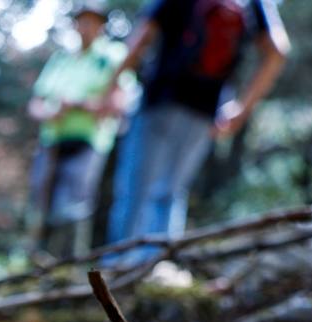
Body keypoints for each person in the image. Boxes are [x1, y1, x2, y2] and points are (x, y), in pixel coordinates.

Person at [104, 0, 289, 256]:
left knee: (137, 188)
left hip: (160, 100)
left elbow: (142, 37)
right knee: (171, 193)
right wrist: (242, 109)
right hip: (206, 111)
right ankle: (156, 265)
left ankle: (119, 265)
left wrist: (111, 85)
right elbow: (277, 52)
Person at [26, 1, 133, 257]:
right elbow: (36, 103)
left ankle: (69, 265)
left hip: (88, 141)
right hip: (52, 141)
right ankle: (35, 263)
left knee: (73, 205)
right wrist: (50, 112)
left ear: (102, 26)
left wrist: (80, 105)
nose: (86, 27)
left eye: (92, 21)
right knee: (41, 202)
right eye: (82, 20)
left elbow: (121, 102)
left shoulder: (112, 56)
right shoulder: (61, 59)